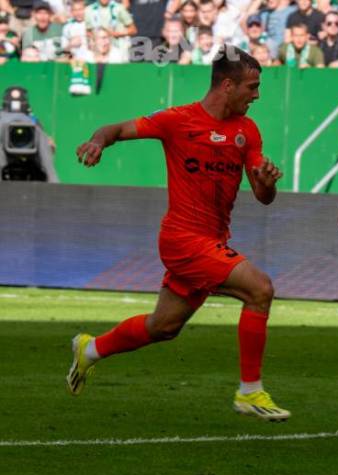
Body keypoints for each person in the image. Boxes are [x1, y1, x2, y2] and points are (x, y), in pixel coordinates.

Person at [67, 45, 291, 422]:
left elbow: (263, 196)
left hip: (213, 241)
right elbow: (115, 129)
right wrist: (97, 142)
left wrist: (267, 183)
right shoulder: (177, 120)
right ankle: (250, 391)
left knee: (164, 326)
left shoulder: (247, 131)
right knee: (260, 289)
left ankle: (89, 350)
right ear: (227, 85)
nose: (257, 95)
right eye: (252, 87)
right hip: (182, 239)